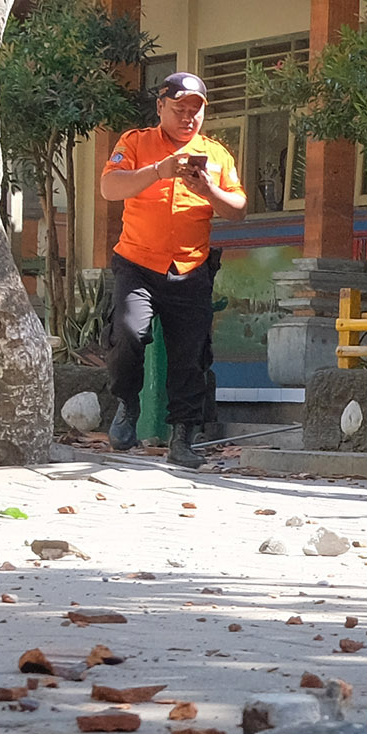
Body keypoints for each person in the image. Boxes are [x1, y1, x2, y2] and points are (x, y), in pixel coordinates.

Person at [97, 69, 245, 464]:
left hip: (191, 267)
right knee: (129, 332)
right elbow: (109, 188)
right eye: (179, 109)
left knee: (190, 356)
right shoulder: (136, 142)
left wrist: (208, 190)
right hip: (138, 263)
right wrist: (158, 171)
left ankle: (183, 439)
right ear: (160, 107)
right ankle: (127, 404)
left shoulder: (216, 155)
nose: (188, 118)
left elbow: (238, 209)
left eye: (196, 110)